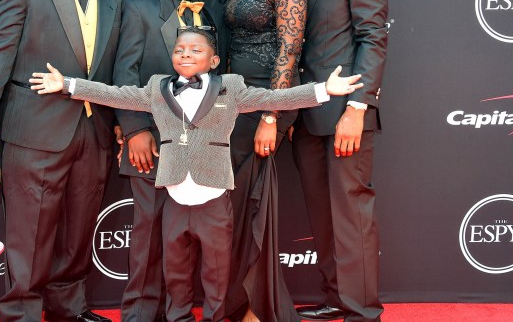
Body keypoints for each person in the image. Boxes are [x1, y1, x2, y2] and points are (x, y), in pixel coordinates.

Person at [29, 29, 363, 322]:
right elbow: (114, 94)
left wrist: (323, 91)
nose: (185, 55)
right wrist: (68, 85)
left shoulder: (230, 89)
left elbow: (274, 97)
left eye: (195, 50)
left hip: (214, 199)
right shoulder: (158, 88)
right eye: (180, 50)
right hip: (174, 197)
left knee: (215, 275)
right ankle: (179, 317)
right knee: (175, 274)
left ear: (214, 60)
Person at [0, 0, 129, 322]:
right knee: (30, 234)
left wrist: (125, 123)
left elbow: (119, 65)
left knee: (77, 232)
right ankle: (21, 313)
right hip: (35, 128)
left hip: (93, 129)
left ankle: (68, 309)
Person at [291, 0, 390, 321]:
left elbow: (373, 39)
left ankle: (362, 311)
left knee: (351, 215)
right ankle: (335, 298)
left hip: (345, 115)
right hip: (307, 114)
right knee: (323, 217)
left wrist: (357, 108)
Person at [112, 0, 224, 322]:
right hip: (152, 143)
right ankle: (140, 314)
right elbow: (124, 72)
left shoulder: (210, 16)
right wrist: (134, 130)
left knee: (184, 241)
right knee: (147, 233)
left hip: (198, 150)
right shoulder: (140, 9)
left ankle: (179, 312)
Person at [218, 0, 306, 322]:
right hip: (233, 105)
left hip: (261, 105)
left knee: (255, 207)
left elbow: (289, 51)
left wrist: (272, 115)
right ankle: (237, 303)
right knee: (234, 209)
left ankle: (257, 309)